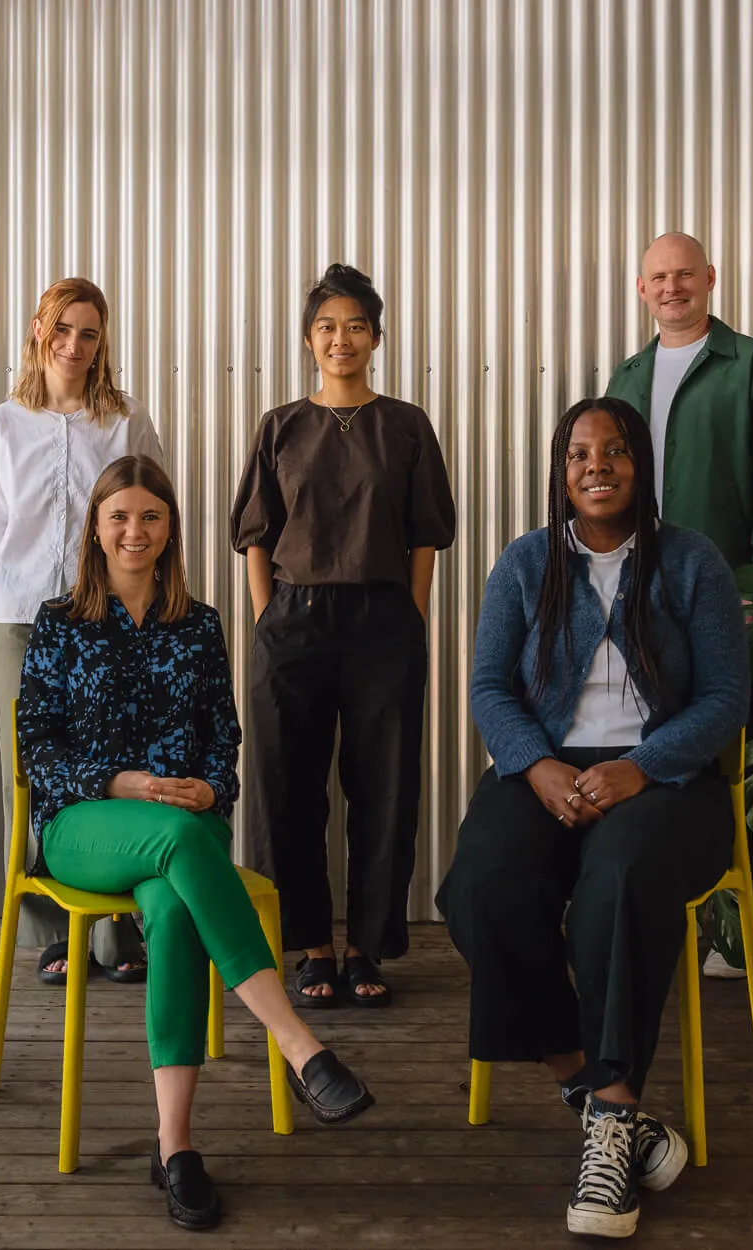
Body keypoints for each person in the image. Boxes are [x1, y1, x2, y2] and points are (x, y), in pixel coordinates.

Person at [19, 456, 376, 1230]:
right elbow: (36, 747)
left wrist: (212, 788)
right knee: (181, 843)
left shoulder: (200, 622)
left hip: (189, 822)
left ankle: (174, 1146)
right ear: (95, 528)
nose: (133, 531)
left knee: (177, 910)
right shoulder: (58, 621)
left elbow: (224, 734)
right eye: (118, 516)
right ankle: (296, 1041)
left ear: (169, 527)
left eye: (149, 516)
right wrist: (123, 783)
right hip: (85, 823)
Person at [437, 398, 748, 1239]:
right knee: (481, 890)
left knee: (617, 883)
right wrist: (535, 764)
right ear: (559, 470)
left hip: (665, 785)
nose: (596, 467)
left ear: (639, 465)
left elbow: (725, 697)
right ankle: (592, 1091)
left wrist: (640, 767)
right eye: (578, 454)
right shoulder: (525, 562)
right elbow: (489, 687)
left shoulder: (691, 563)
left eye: (613, 452)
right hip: (542, 771)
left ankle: (611, 1123)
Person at [230, 263, 456, 1008]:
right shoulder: (281, 425)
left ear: (377, 338)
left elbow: (427, 533)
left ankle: (366, 947)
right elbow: (255, 533)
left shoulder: (405, 424)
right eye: (327, 326)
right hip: (292, 620)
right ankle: (311, 947)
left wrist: (412, 614)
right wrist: (267, 617)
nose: (341, 338)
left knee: (383, 788)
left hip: (383, 621)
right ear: (307, 339)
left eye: (355, 326)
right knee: (285, 788)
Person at [604, 230, 753, 978]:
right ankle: (653, 915)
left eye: (683, 274)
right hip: (635, 604)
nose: (671, 287)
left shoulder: (749, 366)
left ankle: (731, 929)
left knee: (730, 757)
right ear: (640, 288)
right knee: (643, 750)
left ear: (710, 279)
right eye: (657, 276)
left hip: (723, 600)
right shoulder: (626, 376)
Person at [0, 277, 163, 986]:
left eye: (88, 333)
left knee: (112, 763)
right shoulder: (3, 423)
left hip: (105, 620)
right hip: (20, 619)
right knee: (35, 769)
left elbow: (148, 509)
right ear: (37, 329)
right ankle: (55, 934)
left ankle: (119, 932)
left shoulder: (122, 421)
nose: (73, 345)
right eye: (62, 329)